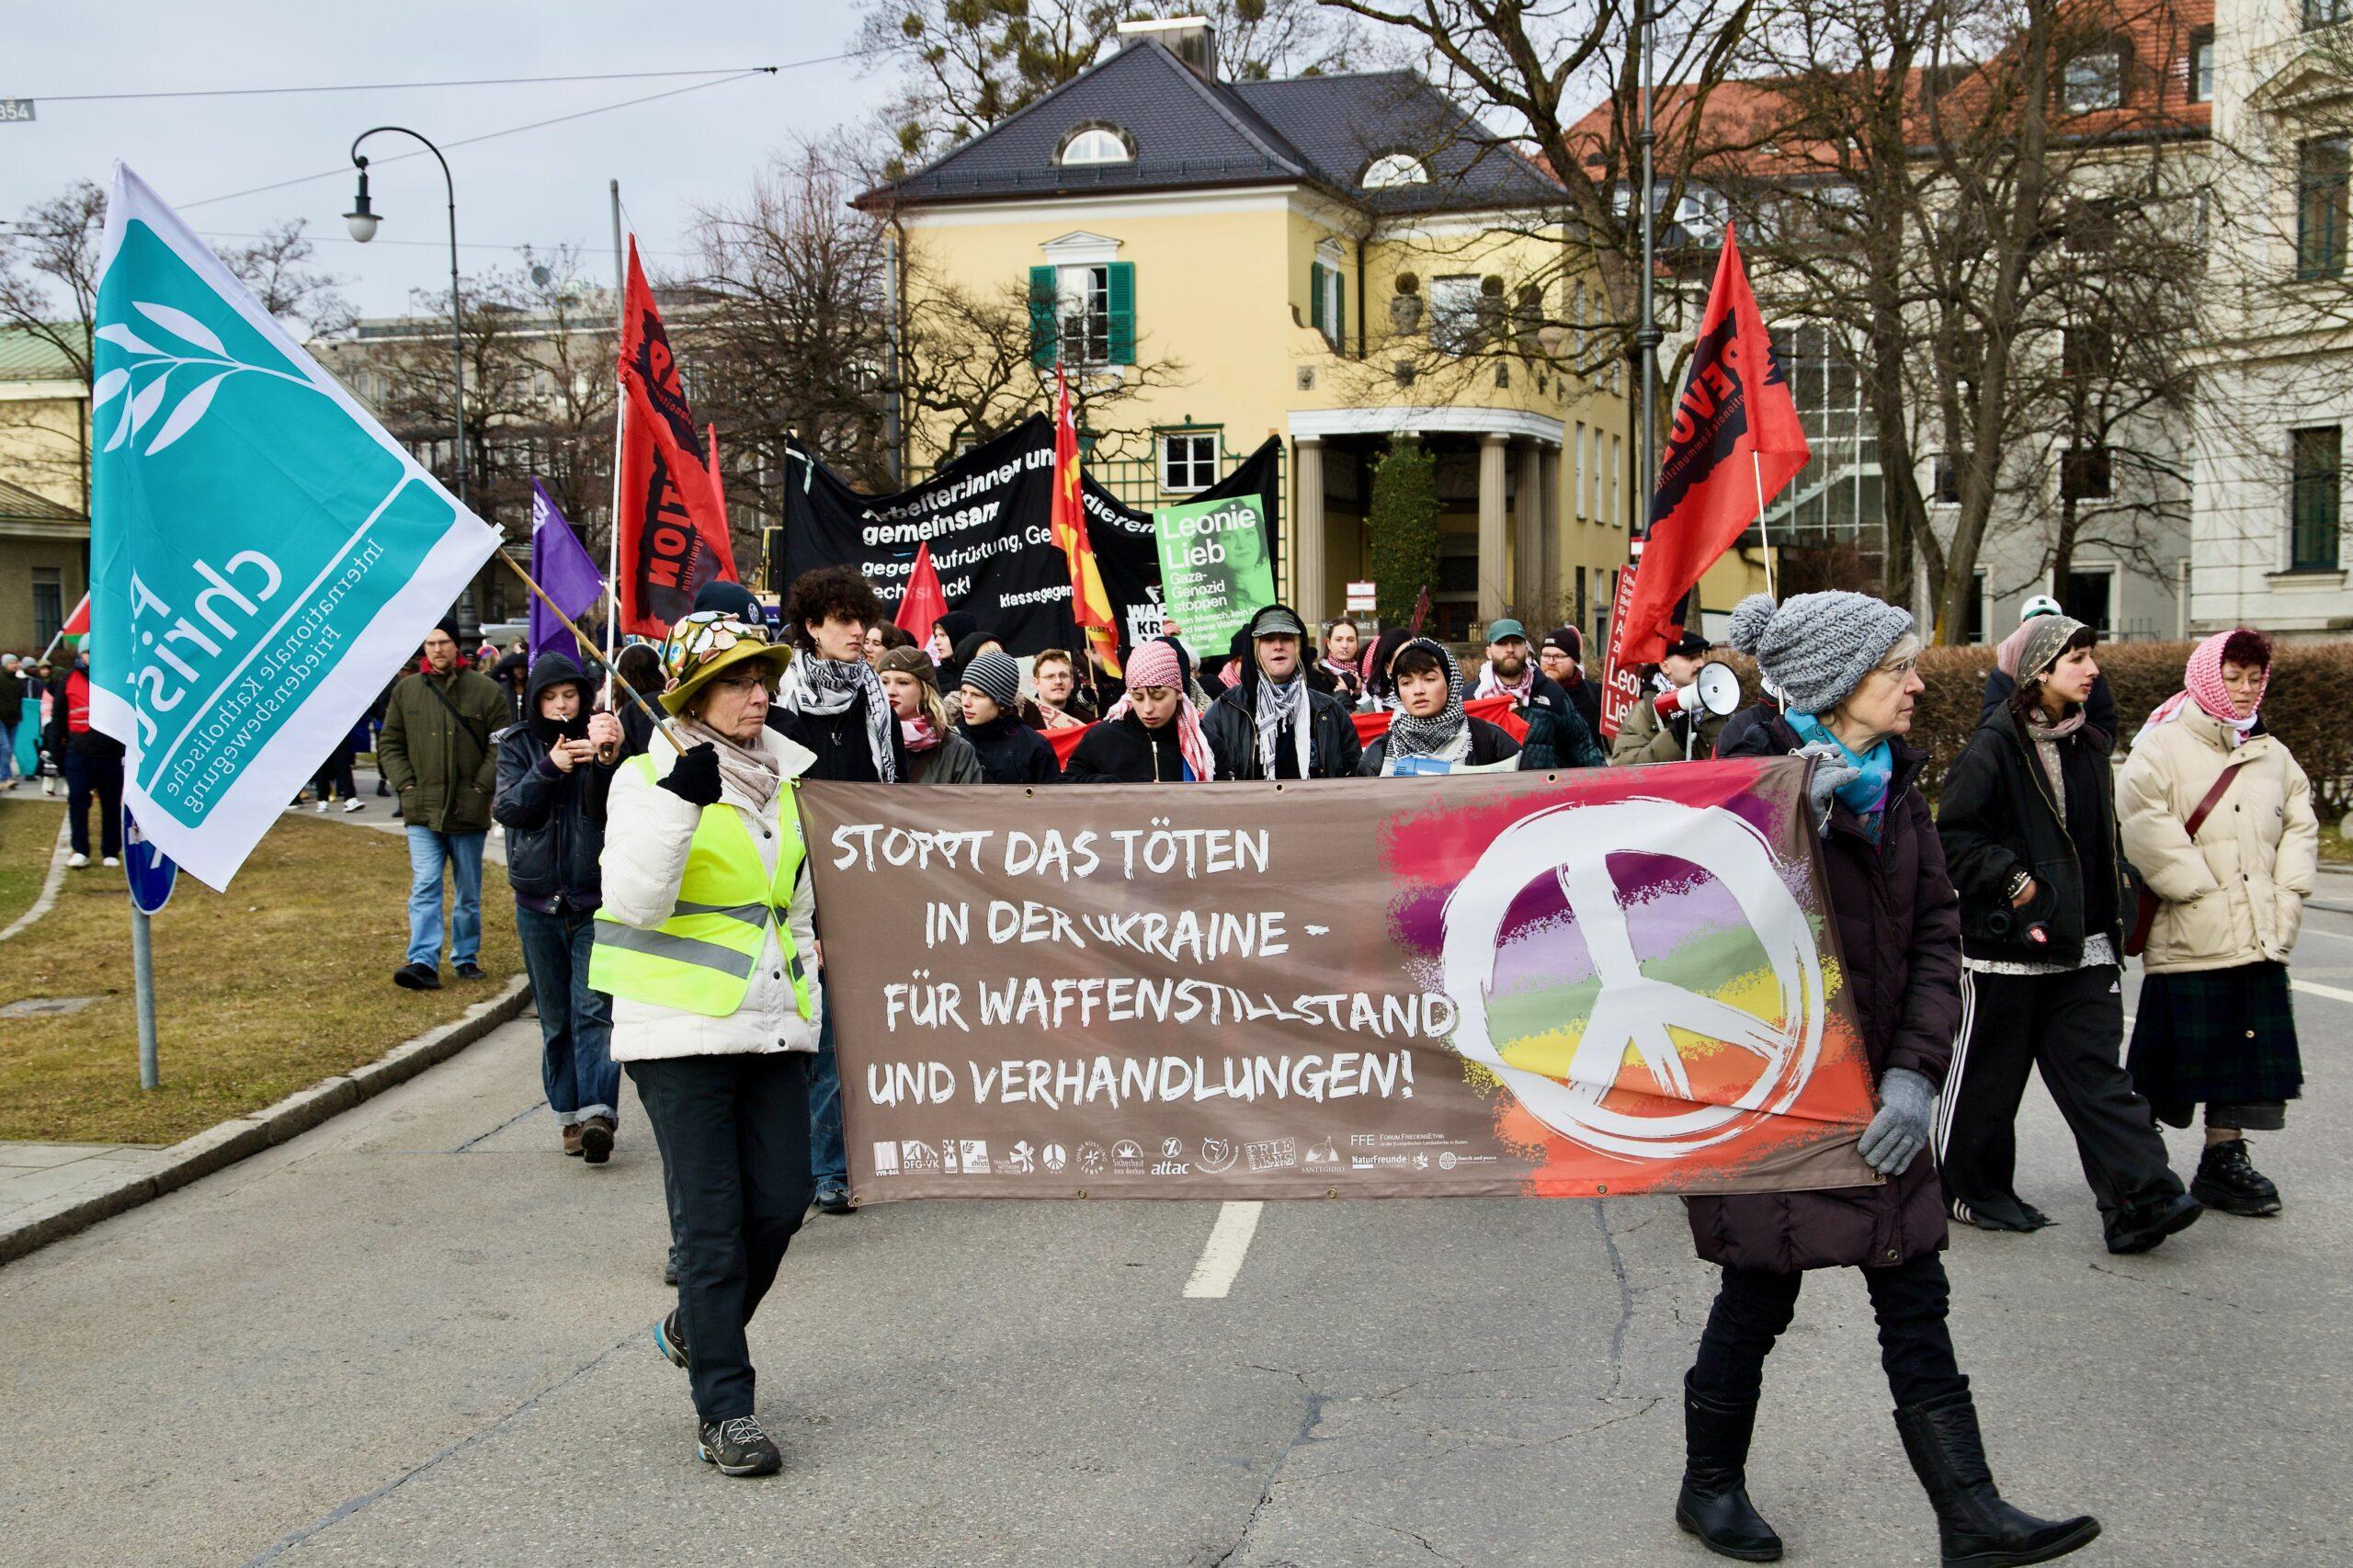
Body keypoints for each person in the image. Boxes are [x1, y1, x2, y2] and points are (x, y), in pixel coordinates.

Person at [1677, 590, 2098, 1568]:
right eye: (1896, 668)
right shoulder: (1738, 791)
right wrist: (1780, 837)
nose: (1916, 684)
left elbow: (1936, 934)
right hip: (1780, 1106)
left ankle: (1971, 1513)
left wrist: (1913, 1076)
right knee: (1758, 1292)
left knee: (1915, 1293)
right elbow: (1694, 955)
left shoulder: (1897, 787)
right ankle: (1708, 1486)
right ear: (1835, 684)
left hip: (1881, 1101)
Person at [593, 610, 817, 1478]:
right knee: (713, 1232)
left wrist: (809, 960)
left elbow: (787, 901)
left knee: (783, 1200)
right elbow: (634, 902)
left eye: (763, 679)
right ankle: (726, 1410)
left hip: (771, 1023)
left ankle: (695, 1326)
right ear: (692, 693)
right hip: (678, 1028)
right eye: (737, 681)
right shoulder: (648, 776)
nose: (758, 694)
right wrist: (679, 804)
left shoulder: (783, 774)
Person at [1935, 616, 2200, 1251]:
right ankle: (1970, 1189)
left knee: (2100, 1080)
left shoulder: (2087, 744)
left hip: (2085, 948)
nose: (2091, 668)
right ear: (2039, 671)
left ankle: (2142, 1200)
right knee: (1989, 1086)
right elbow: (1955, 839)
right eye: (2075, 658)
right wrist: (2014, 880)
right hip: (2009, 952)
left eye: (2090, 656)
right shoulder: (1992, 746)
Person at [2117, 628, 2316, 1218]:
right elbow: (2142, 819)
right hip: (2191, 932)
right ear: (2208, 676)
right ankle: (2135, 1159)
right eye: (2233, 678)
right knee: (2166, 1059)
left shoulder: (2271, 752)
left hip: (2257, 935)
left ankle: (2223, 1158)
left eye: (2256, 679)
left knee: (2245, 1054)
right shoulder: (2161, 746)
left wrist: (2287, 897)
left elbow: (2300, 825)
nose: (2246, 690)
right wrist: (2196, 888)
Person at [771, 567, 902, 1218]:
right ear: (812, 627)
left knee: (844, 1037)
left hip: (863, 883)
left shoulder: (876, 701)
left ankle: (830, 1170)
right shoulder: (781, 703)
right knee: (803, 1037)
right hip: (795, 886)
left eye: (863, 619)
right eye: (844, 620)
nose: (859, 632)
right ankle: (807, 1167)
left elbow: (892, 795)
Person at [495, 651, 626, 1162]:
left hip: (592, 897)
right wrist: (549, 768)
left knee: (594, 1009)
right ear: (535, 700)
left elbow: (612, 808)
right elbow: (509, 809)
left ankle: (599, 1115)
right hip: (536, 900)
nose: (560, 706)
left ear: (583, 695)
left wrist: (607, 757)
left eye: (569, 695)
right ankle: (568, 1115)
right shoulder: (516, 744)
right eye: (550, 697)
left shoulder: (602, 737)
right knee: (555, 1018)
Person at [377, 622, 510, 989]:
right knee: (425, 884)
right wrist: (405, 784)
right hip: (422, 810)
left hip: (468, 810)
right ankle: (422, 960)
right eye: (430, 644)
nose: (437, 650)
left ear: (457, 646)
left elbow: (500, 745)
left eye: (444, 642)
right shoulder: (407, 692)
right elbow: (390, 743)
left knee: (468, 891)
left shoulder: (485, 691)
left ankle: (466, 957)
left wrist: (481, 788)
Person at [1202, 604, 1363, 779]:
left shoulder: (1330, 711)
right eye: (1268, 639)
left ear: (1299, 647)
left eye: (1286, 638)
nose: (1278, 646)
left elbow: (1355, 780)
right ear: (1254, 649)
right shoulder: (1225, 709)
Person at [1063, 637, 1218, 783]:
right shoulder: (1101, 739)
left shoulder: (1206, 745)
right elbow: (1063, 789)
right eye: (1138, 697)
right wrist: (1099, 786)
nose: (1147, 708)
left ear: (1178, 692)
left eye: (1158, 697)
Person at [1359, 639, 1520, 775]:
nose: (1418, 691)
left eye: (1429, 679)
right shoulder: (1379, 752)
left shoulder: (1488, 738)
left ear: (1449, 683)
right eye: (1406, 683)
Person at [1980, 595, 2118, 740]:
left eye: (2053, 625)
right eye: (2035, 625)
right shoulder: (2003, 675)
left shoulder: (2087, 676)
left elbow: (2104, 724)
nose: (2046, 635)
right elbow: (1993, 731)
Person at [1473, 617, 1605, 768]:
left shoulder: (1551, 692)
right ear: (1489, 652)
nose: (1510, 649)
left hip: (1541, 789)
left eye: (1516, 642)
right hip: (1488, 790)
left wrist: (1607, 784)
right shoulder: (1472, 696)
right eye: (1502, 643)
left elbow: (1583, 748)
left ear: (1525, 648)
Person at [45, 645, 123, 869]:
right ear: (80, 655)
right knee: (78, 801)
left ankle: (110, 851)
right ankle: (80, 850)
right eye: (88, 652)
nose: (92, 656)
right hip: (78, 753)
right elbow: (58, 717)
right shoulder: (68, 678)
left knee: (110, 805)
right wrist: (55, 752)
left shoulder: (114, 677)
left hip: (110, 753)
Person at [1610, 631, 1728, 764]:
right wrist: (1673, 740)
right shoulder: (1645, 711)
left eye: (1700, 656)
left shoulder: (1717, 702)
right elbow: (1623, 765)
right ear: (1666, 666)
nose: (1701, 663)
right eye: (1690, 658)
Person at [877, 646, 986, 783]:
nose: (890, 691)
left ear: (925, 690)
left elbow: (970, 802)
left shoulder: (956, 751)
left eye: (903, 682)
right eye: (884, 682)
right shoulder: (862, 740)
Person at [958, 652, 1062, 784]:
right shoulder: (951, 741)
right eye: (964, 692)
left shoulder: (1034, 746)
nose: (966, 702)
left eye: (977, 695)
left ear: (1002, 703)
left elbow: (1052, 800)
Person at [1540, 625, 1603, 740]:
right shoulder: (1528, 694)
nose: (1550, 662)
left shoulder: (1596, 694)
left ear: (1575, 660)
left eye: (1558, 656)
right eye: (1546, 655)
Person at [1029, 647, 1095, 729]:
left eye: (1063, 676)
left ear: (1072, 682)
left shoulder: (1087, 723)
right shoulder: (1026, 720)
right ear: (1037, 683)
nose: (1058, 681)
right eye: (1050, 676)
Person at [1314, 618, 1366, 709]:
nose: (1345, 645)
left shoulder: (1365, 674)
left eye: (1350, 640)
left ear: (1357, 643)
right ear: (1329, 643)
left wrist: (1357, 694)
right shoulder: (1316, 674)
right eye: (1338, 640)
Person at [1360, 627, 1414, 713]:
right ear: (1388, 667)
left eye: (1416, 654)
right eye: (1402, 657)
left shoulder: (1436, 700)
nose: (1413, 662)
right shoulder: (1368, 711)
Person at [0, 653, 21, 790]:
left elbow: (18, 701)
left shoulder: (18, 682)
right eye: (11, 662)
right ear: (5, 664)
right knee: (5, 748)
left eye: (16, 662)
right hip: (1, 719)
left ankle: (5, 774)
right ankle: (4, 777)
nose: (14, 665)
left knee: (9, 749)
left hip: (13, 720)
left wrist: (18, 716)